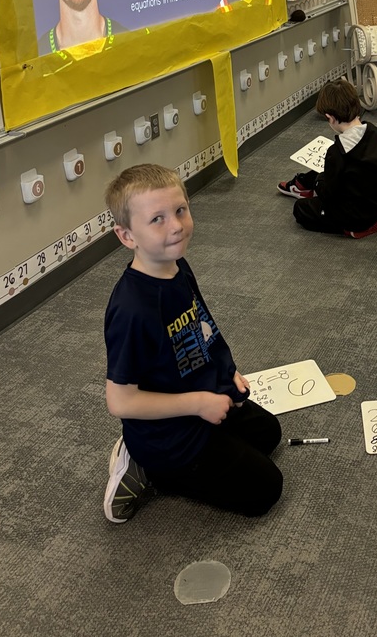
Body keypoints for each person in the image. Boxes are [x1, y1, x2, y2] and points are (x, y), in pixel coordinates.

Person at [102, 164, 282, 523]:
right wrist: (199, 403)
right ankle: (149, 468)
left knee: (269, 434)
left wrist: (228, 373)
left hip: (198, 396)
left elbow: (202, 329)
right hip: (169, 435)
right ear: (127, 236)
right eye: (157, 219)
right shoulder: (132, 310)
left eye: (180, 210)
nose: (176, 225)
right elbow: (119, 401)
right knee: (266, 489)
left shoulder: (177, 265)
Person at [277, 79, 377, 237]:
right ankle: (302, 183)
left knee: (300, 208)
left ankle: (355, 228)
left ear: (330, 118)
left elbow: (328, 194)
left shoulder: (337, 153)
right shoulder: (376, 134)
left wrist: (319, 182)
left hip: (356, 216)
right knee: (327, 174)